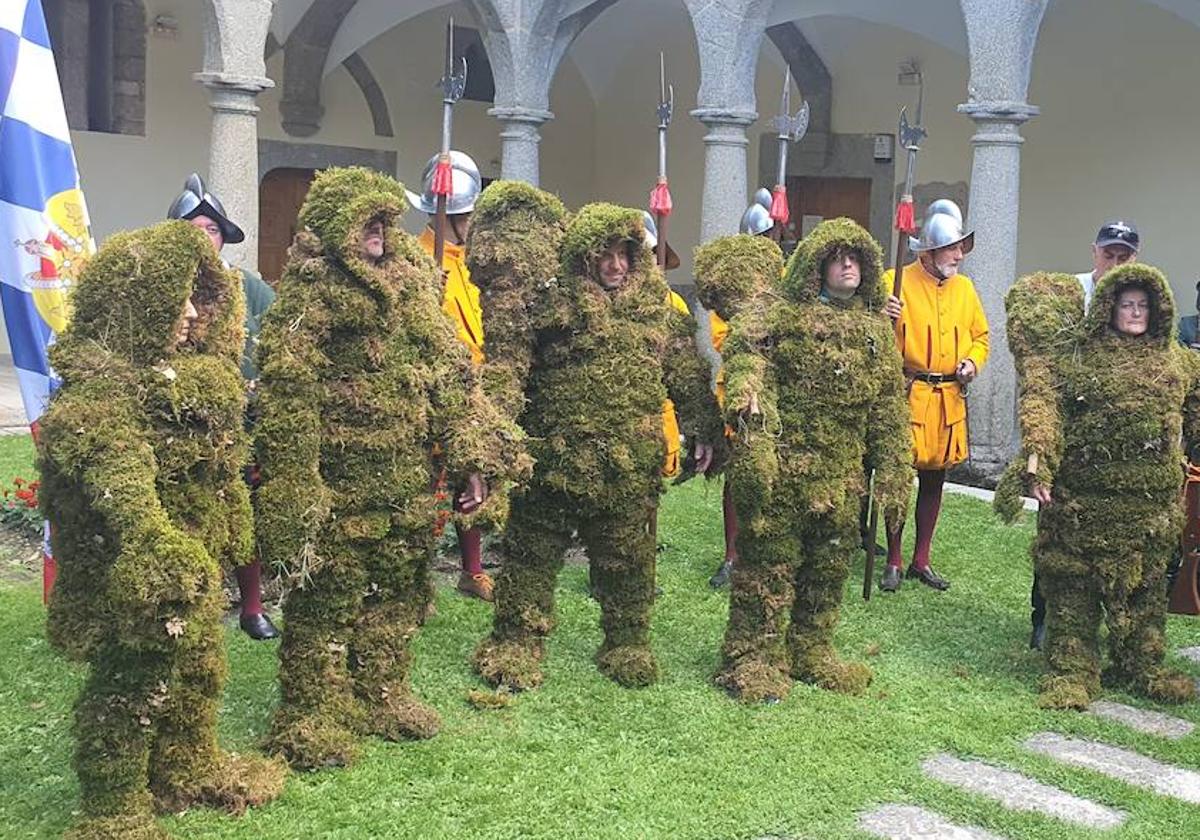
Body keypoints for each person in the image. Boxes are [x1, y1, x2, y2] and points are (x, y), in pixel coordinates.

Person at [257, 167, 528, 769]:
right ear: (336, 226)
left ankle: (382, 691)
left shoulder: (412, 288)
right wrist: (298, 486)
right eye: (367, 222)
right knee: (327, 601)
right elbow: (287, 395)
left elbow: (453, 376)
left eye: (386, 220)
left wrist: (472, 460)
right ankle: (313, 713)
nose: (380, 231)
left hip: (406, 481)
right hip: (339, 487)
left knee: (401, 594)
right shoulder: (309, 298)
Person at [39, 221, 286, 838]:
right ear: (132, 299)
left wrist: (233, 521)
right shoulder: (97, 395)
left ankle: (188, 765)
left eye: (196, 297)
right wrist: (149, 534)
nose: (186, 313)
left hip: (197, 559)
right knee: (133, 683)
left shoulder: (203, 380)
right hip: (139, 570)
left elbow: (217, 464)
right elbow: (111, 462)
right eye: (172, 296)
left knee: (201, 664)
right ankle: (113, 805)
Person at [472, 202, 723, 690]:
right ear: (581, 258)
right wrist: (491, 434)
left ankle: (626, 641)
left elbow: (689, 376)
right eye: (603, 254)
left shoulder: (657, 312)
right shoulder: (549, 309)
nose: (616, 265)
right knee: (530, 557)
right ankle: (516, 641)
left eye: (626, 254)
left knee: (628, 559)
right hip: (553, 462)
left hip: (626, 466)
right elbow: (509, 371)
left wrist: (703, 429)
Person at [699, 219, 911, 702]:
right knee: (768, 567)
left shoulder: (875, 330)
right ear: (815, 266)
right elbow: (749, 365)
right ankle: (752, 656)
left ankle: (811, 649)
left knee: (828, 565)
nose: (848, 265)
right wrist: (753, 421)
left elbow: (888, 406)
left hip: (841, 477)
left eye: (856, 257)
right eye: (837, 257)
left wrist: (896, 466)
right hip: (785, 472)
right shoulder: (779, 317)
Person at [1000, 264, 1200, 709]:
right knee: (1074, 590)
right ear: (1108, 308)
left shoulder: (1179, 364)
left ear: (1159, 310)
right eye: (1126, 304)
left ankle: (1139, 664)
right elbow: (1045, 410)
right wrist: (1038, 466)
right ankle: (1071, 670)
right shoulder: (1077, 360)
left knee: (1146, 590)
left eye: (1142, 305)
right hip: (1082, 506)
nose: (1134, 312)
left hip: (1149, 511)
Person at [167, 173, 280, 641]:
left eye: (212, 229)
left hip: (244, 425)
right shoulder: (160, 289)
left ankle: (252, 607)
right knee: (189, 518)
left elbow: (280, 341)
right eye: (194, 228)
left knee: (244, 518)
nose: (204, 237)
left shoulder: (248, 289)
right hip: (182, 427)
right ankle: (190, 605)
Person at [1027, 219, 1141, 648]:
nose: (1115, 263)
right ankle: (1044, 618)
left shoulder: (1142, 302)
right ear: (1094, 251)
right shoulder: (1069, 294)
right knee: (1055, 530)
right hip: (1068, 430)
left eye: (1123, 256)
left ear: (1136, 257)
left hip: (1114, 445)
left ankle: (1106, 627)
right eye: (1108, 254)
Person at [880, 200, 989, 592]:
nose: (959, 255)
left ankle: (920, 559)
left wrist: (972, 363)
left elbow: (981, 337)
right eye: (952, 247)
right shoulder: (894, 281)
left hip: (947, 399)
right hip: (907, 395)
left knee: (934, 480)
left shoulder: (965, 289)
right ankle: (893, 557)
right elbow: (870, 334)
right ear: (928, 251)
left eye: (961, 247)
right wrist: (881, 312)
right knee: (896, 479)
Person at [407, 151, 496, 602]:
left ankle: (472, 569)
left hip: (473, 385)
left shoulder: (471, 262)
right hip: (430, 388)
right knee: (425, 488)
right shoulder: (418, 262)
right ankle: (413, 575)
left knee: (473, 477)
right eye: (468, 216)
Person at [707, 189, 775, 589]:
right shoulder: (726, 290)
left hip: (773, 391)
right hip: (735, 387)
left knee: (768, 474)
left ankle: (763, 551)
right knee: (735, 473)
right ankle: (732, 554)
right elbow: (723, 338)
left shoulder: (783, 284)